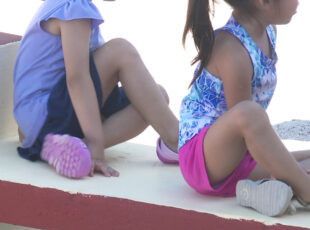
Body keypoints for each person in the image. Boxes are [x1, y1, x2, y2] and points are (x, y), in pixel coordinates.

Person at [14, 0, 179, 179]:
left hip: (48, 121)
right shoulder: (74, 7)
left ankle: (68, 148)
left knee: (156, 99)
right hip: (47, 113)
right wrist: (96, 145)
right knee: (120, 50)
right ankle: (177, 140)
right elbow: (77, 79)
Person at [179, 0, 310, 216]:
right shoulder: (233, 51)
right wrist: (285, 168)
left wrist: (285, 168)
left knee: (298, 165)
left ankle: (267, 190)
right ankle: (305, 190)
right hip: (204, 158)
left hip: (241, 155)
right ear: (263, 2)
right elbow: (245, 122)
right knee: (250, 112)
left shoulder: (268, 30)